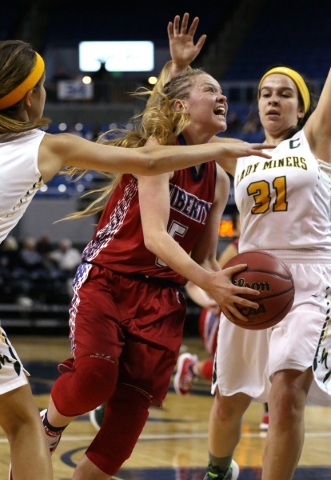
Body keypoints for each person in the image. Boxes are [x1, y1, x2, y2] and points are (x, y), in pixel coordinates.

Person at [0, 38, 270, 480]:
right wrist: (174, 72)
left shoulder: (219, 184)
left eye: (223, 90)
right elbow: (157, 236)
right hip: (110, 279)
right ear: (181, 107)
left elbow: (203, 261)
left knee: (124, 432)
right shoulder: (160, 147)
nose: (223, 97)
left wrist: (223, 293)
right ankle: (50, 424)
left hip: (162, 300)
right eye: (209, 90)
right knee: (94, 379)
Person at [166, 12, 331, 480]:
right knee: (227, 403)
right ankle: (219, 470)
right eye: (265, 93)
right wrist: (178, 70)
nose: (273, 100)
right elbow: (174, 131)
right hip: (251, 278)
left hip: (309, 281)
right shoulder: (236, 156)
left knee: (285, 395)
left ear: (303, 107)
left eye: (284, 94)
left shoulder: (316, 142)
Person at [174, 209, 269, 430]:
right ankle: (192, 367)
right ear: (236, 227)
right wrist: (209, 302)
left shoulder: (271, 248)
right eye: (244, 220)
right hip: (220, 314)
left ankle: (269, 412)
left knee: (268, 359)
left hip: (253, 315)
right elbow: (199, 281)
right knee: (225, 371)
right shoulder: (235, 249)